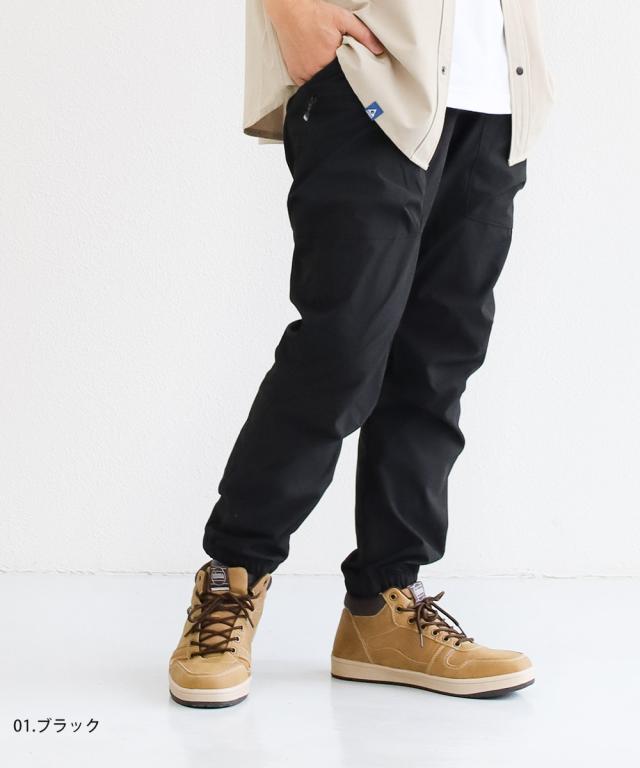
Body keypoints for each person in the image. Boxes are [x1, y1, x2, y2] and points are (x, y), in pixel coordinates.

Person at [169, 0, 554, 708]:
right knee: (341, 350)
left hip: (496, 93)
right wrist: (290, 11)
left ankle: (385, 605)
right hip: (373, 73)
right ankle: (231, 579)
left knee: (438, 360)